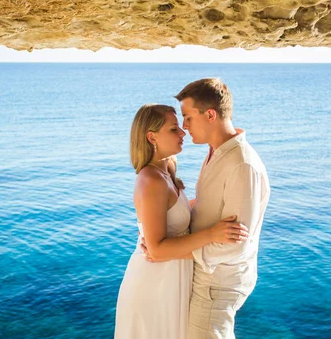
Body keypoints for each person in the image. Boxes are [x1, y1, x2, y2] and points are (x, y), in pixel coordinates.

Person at [115, 104, 249, 339]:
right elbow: (155, 250)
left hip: (172, 279)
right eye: (174, 129)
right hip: (154, 285)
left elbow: (179, 211)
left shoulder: (166, 170)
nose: (183, 133)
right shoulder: (150, 180)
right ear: (151, 137)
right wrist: (212, 235)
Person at [175, 78, 271, 338]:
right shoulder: (217, 152)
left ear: (210, 114)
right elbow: (209, 207)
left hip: (217, 283)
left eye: (187, 117)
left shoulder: (242, 165)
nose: (183, 127)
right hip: (210, 278)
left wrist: (173, 251)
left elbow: (234, 243)